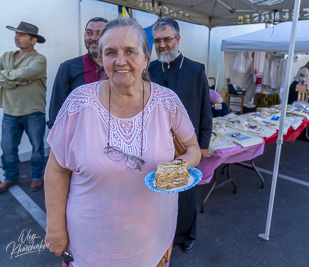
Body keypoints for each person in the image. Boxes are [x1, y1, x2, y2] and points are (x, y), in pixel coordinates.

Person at [44, 17, 201, 266]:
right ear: (101, 59)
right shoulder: (78, 102)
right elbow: (56, 169)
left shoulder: (167, 101)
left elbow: (193, 149)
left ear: (145, 58)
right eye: (110, 52)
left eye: (130, 51)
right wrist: (55, 228)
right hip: (89, 247)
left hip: (153, 242)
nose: (120, 61)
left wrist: (178, 167)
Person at [148, 17, 212, 253]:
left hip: (186, 147)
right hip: (155, 145)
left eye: (167, 39)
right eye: (157, 41)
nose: (162, 45)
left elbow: (206, 109)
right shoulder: (150, 70)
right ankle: (162, 233)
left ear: (178, 39)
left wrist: (203, 144)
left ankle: (185, 234)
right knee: (158, 192)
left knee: (184, 192)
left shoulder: (196, 70)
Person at [0, 21, 47, 193]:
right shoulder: (6, 57)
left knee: (36, 148)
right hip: (10, 111)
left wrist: (5, 77)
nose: (17, 37)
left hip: (33, 110)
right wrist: (14, 83)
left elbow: (26, 73)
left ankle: (37, 176)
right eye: (16, 34)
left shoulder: (39, 60)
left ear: (33, 40)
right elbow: (19, 77)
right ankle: (10, 178)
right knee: (7, 148)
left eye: (21, 35)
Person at [47, 17, 108, 128]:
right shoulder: (68, 68)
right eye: (89, 33)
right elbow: (57, 109)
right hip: (79, 138)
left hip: (113, 139)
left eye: (100, 33)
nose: (93, 38)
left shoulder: (118, 68)